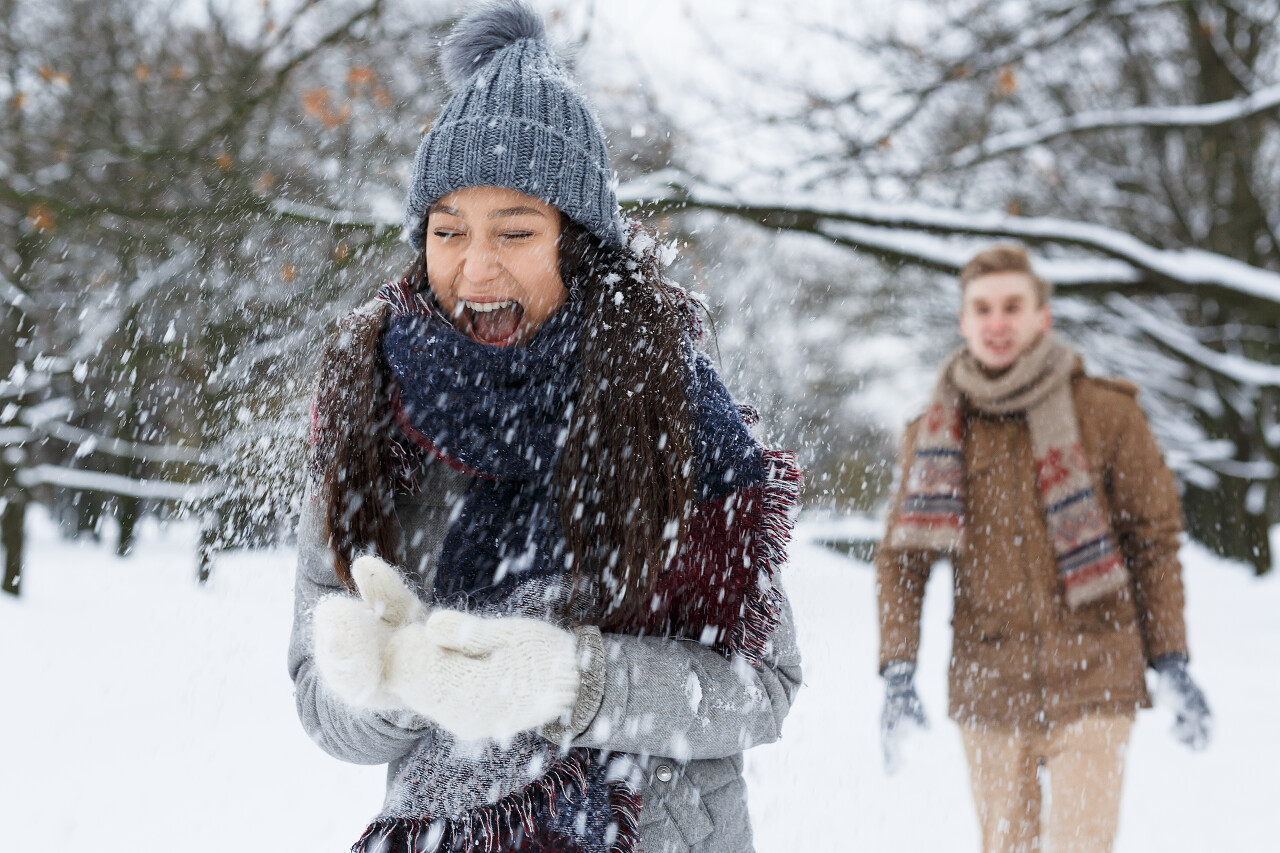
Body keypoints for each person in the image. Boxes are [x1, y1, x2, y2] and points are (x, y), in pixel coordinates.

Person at [287, 4, 803, 852]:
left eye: (516, 231)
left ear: (578, 242)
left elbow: (762, 688)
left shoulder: (670, 408)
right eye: (447, 230)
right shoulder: (375, 414)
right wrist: (389, 678)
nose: (475, 266)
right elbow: (319, 706)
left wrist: (575, 681)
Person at [875, 244, 1212, 853]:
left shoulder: (1107, 413)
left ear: (1041, 317)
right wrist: (898, 668)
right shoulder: (932, 432)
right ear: (963, 321)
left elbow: (1152, 544)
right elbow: (903, 560)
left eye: (1012, 306)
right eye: (982, 308)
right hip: (989, 681)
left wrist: (1172, 659)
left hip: (1096, 673)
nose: (997, 322)